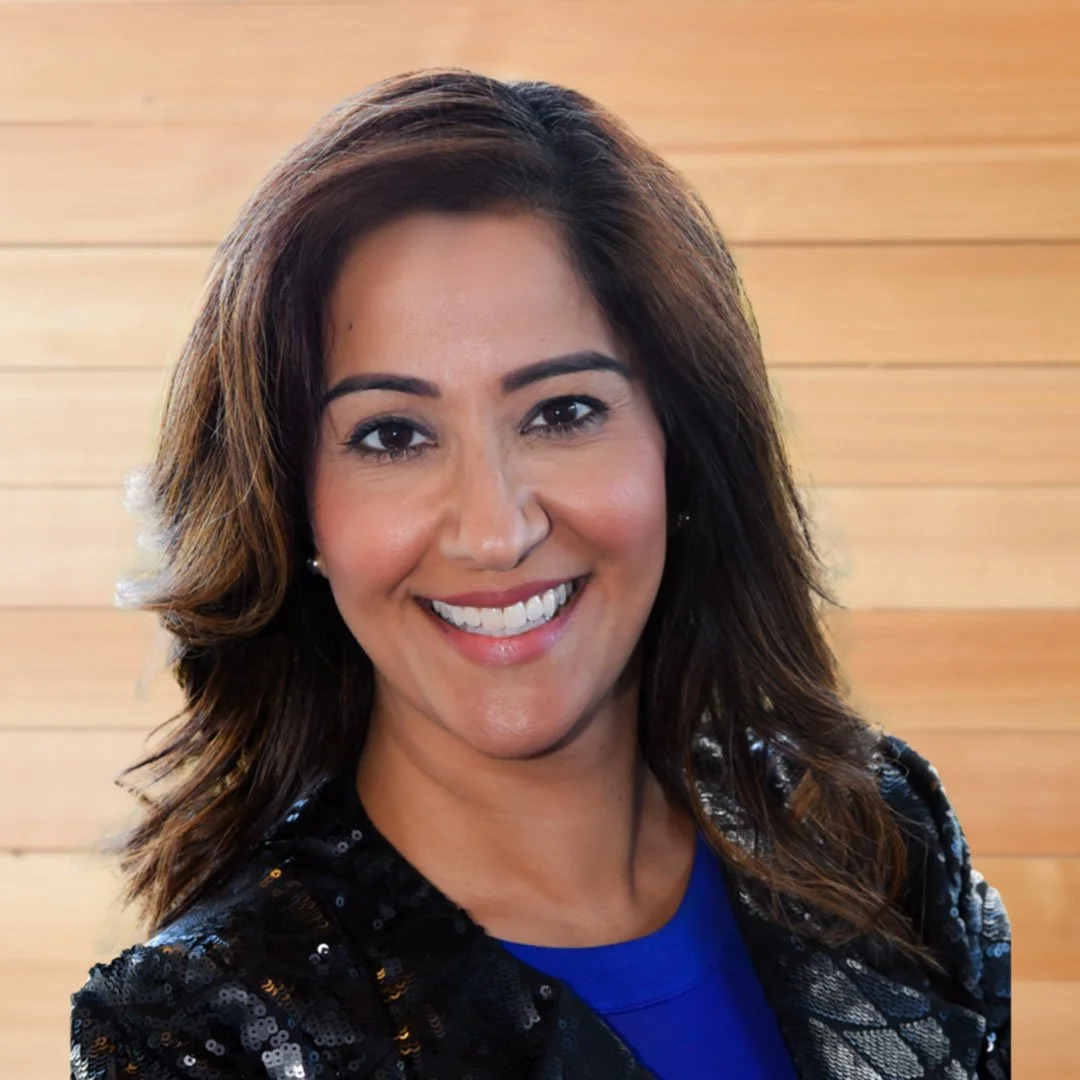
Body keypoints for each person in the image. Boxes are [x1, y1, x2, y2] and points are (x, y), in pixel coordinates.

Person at [70, 69, 1010, 1080]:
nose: (495, 530)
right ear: (295, 508)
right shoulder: (198, 1033)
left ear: (680, 449)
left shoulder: (880, 835)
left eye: (561, 413)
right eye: (392, 434)